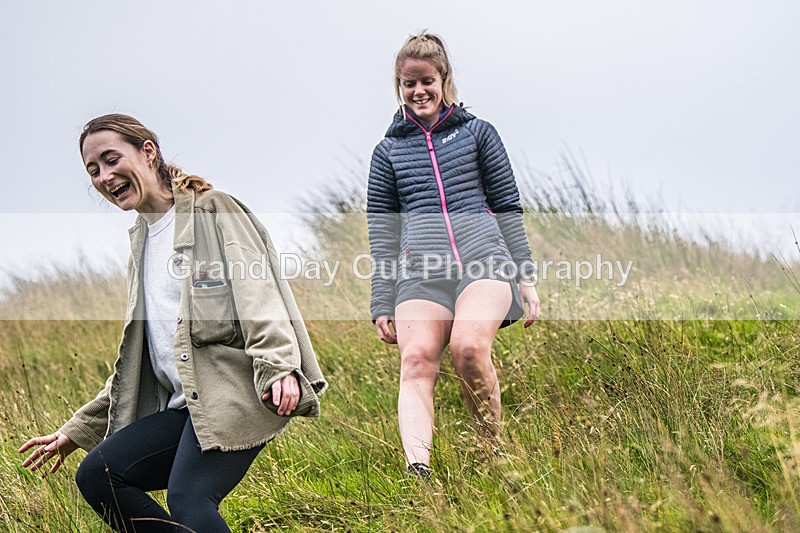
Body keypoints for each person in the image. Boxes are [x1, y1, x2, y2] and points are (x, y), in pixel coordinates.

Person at [19, 114, 327, 532]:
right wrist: (78, 429)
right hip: (187, 407)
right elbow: (141, 358)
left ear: (148, 152)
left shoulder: (214, 210)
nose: (105, 176)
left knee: (190, 498)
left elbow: (258, 294)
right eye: (93, 170)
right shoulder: (142, 242)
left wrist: (278, 366)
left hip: (234, 392)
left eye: (112, 159)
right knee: (98, 474)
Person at [367, 32, 540, 477]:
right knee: (416, 359)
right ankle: (418, 471)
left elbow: (507, 205)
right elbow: (382, 234)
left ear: (443, 79)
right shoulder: (387, 152)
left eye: (426, 80)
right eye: (408, 83)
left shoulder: (478, 133)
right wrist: (382, 300)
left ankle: (491, 454)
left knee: (467, 348)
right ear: (399, 86)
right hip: (421, 276)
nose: (418, 91)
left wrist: (525, 276)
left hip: (485, 263)